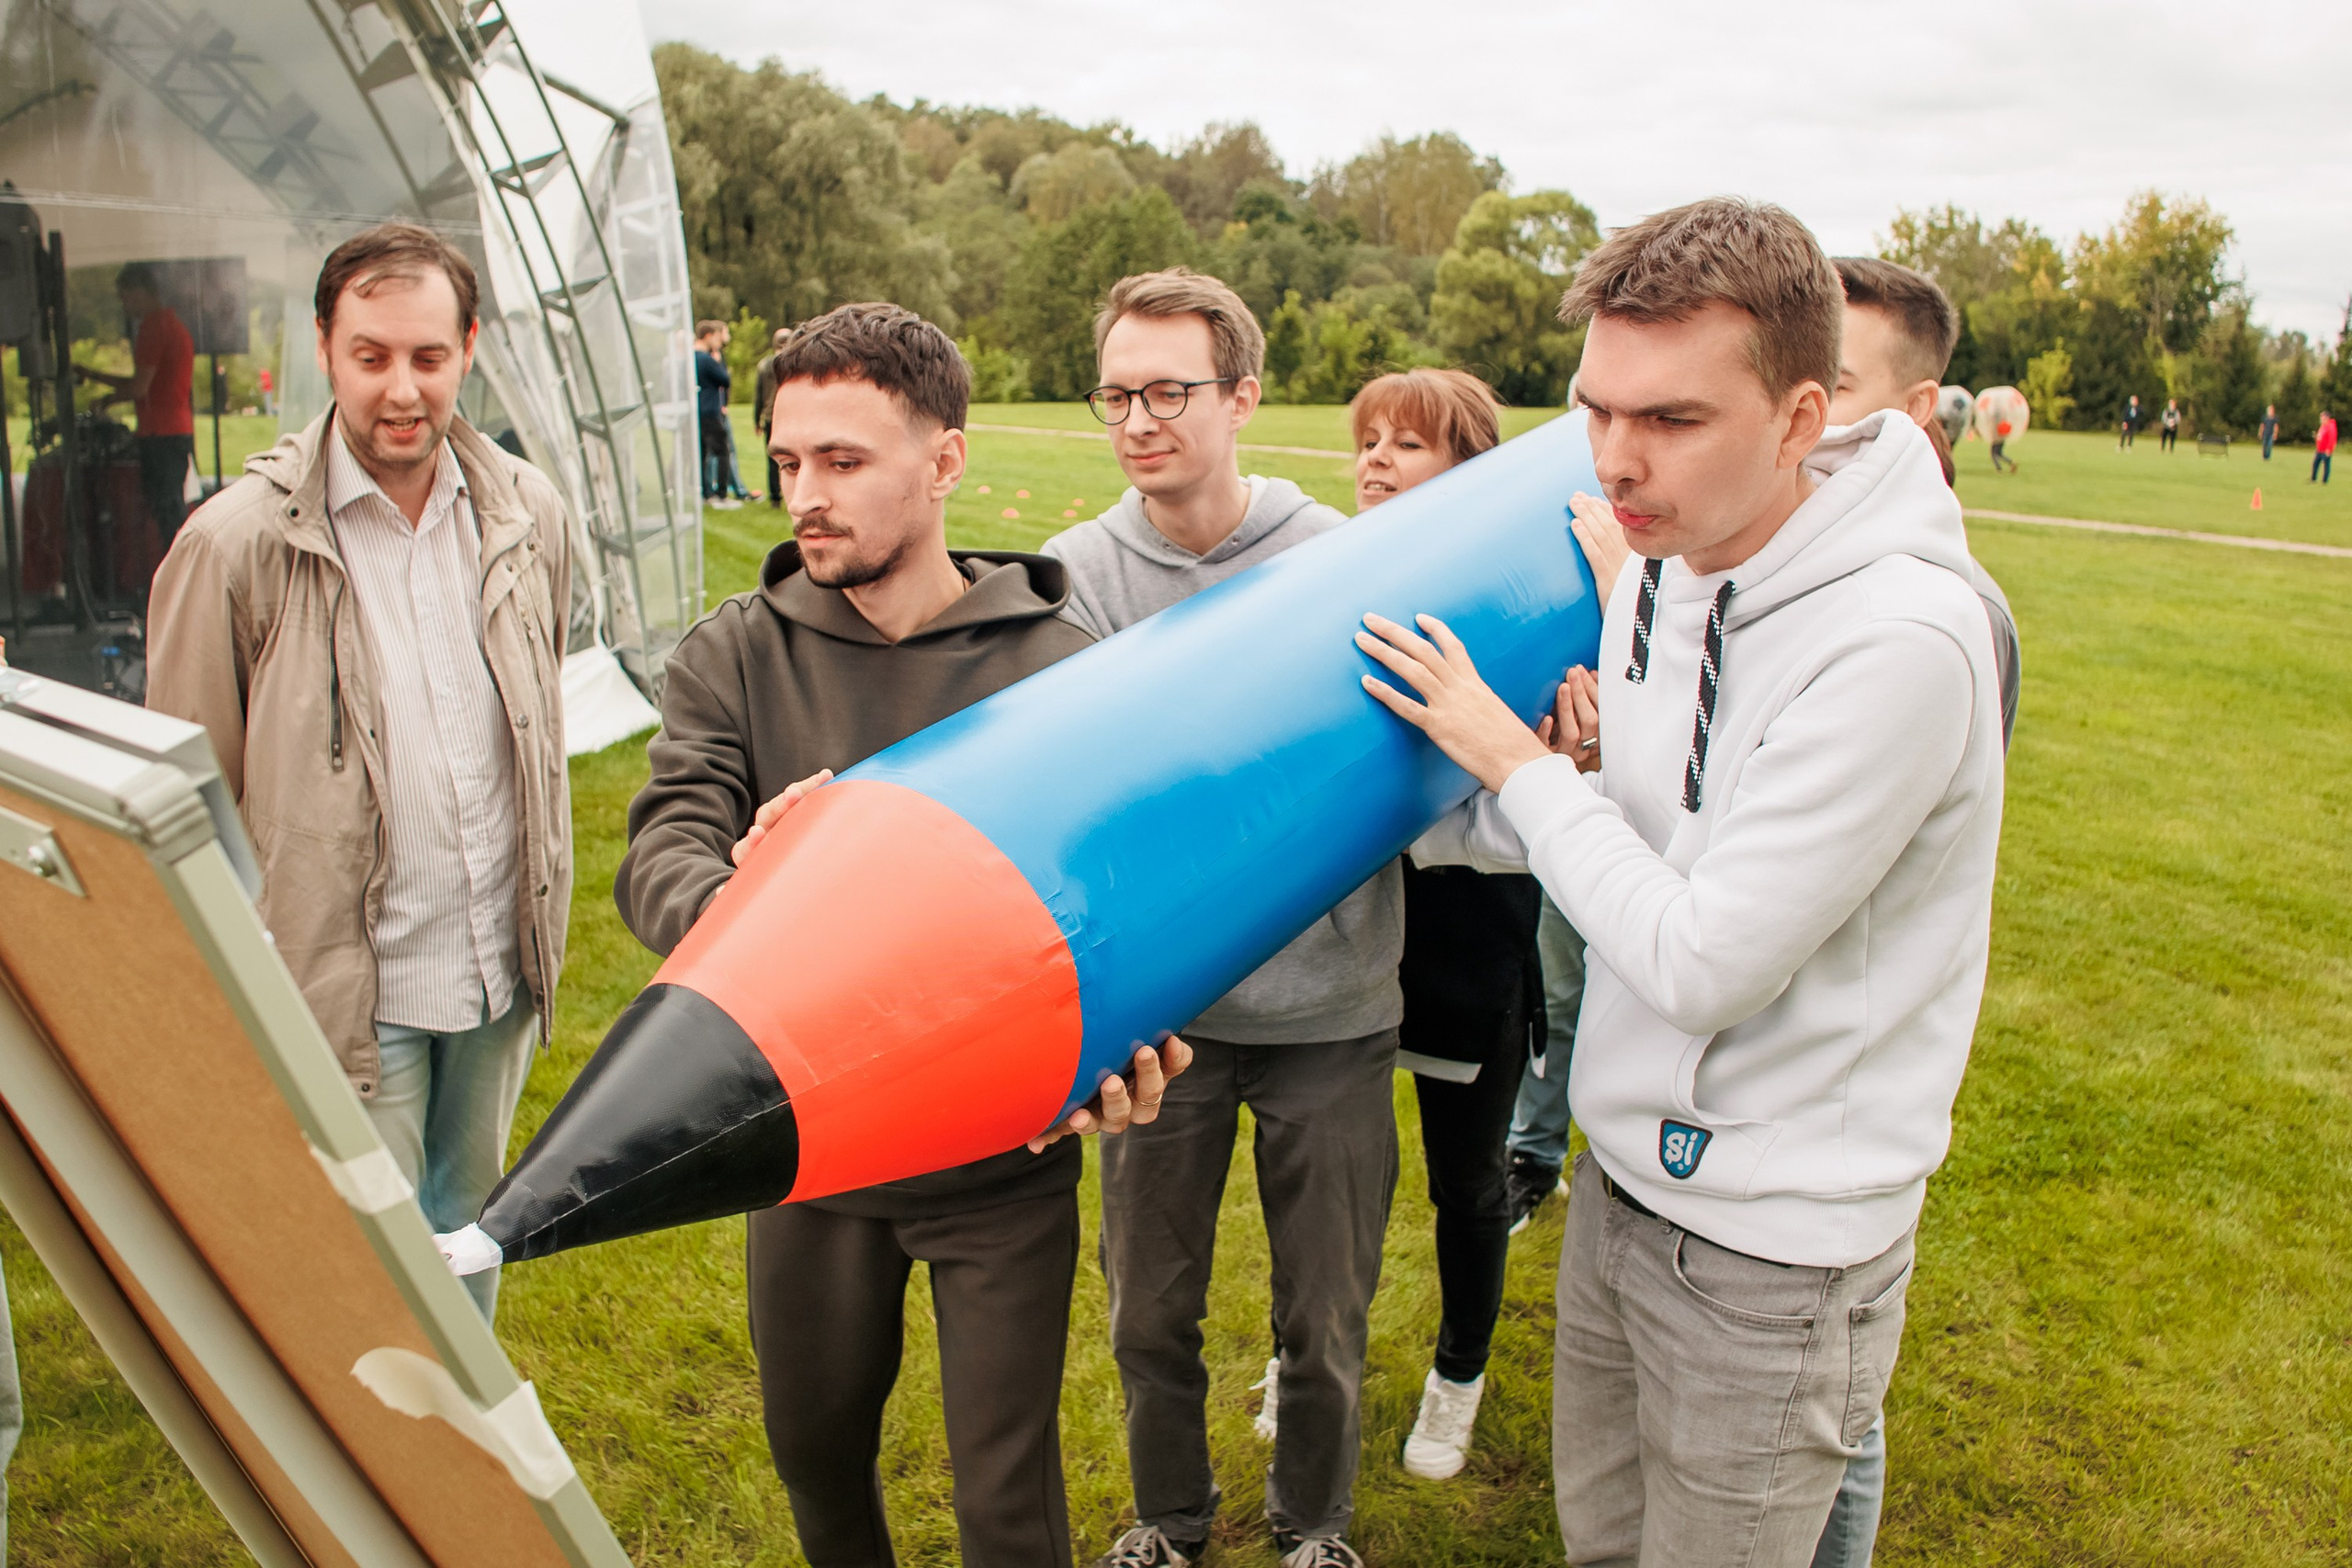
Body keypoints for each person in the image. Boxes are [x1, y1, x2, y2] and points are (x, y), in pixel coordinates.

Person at [1361, 197, 2005, 1568]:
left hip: (1775, 1246)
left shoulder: (1903, 638)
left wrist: (1508, 753)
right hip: (1620, 1182)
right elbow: (1629, 828)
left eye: (1672, 420)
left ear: (1798, 417)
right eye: (1598, 409)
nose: (1616, 460)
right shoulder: (1663, 561)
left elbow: (1707, 955)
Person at [614, 301, 1188, 1568]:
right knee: (814, 1453)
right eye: (786, 461)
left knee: (1006, 1499)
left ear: (946, 459)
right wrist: (752, 907)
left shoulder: (1057, 665)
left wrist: (1126, 1047)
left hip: (1001, 1158)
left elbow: (1125, 904)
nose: (804, 495)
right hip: (812, 1156)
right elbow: (663, 848)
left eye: (843, 461)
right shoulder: (735, 654)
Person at [148, 223, 573, 1323]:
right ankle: (373, 1486)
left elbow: (536, 718)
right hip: (347, 984)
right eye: (372, 355)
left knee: (470, 1231)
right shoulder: (233, 544)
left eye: (428, 358)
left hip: (494, 969)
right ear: (326, 352)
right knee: (368, 1282)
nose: (401, 389)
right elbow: (181, 801)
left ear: (468, 349)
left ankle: (472, 1477)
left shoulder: (530, 513)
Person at [1047, 268, 1398, 1568]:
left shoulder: (1342, 559)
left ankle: (1315, 1525)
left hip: (1334, 1010)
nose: (1140, 419)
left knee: (1324, 1309)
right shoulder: (1072, 578)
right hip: (1159, 1023)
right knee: (1149, 1307)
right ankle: (1168, 1516)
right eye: (1117, 394)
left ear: (1242, 395)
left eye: (1169, 390)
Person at [1333, 368, 1594, 1483]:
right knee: (1337, 1185)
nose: (1377, 460)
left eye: (1410, 445)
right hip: (1344, 957)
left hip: (1467, 944)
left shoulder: (1510, 612)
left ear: (1470, 472)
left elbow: (1515, 818)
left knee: (1464, 1178)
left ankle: (1458, 1375)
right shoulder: (1325, 594)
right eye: (1369, 441)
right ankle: (1315, 1364)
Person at [1834, 256, 2022, 749]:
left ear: (1916, 407)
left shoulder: (1952, 618)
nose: (1795, 409)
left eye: (1835, 386)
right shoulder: (1750, 559)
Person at [76, 262, 196, 553]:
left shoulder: (153, 327)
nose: (123, 304)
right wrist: (94, 376)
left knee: (167, 512)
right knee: (172, 509)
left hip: (160, 432)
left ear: (140, 292)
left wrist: (104, 401)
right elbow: (147, 383)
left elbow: (139, 387)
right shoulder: (173, 325)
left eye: (124, 296)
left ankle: (179, 578)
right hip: (175, 428)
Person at [695, 318, 750, 505]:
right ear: (708, 336)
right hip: (711, 410)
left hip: (697, 410)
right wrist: (718, 363)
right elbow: (724, 380)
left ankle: (705, 492)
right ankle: (721, 495)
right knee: (722, 451)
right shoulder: (706, 359)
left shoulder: (690, 359)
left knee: (702, 453)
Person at [752, 324, 791, 508]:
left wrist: (756, 420)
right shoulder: (794, 364)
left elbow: (758, 394)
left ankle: (775, 497)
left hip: (769, 417)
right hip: (789, 417)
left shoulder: (765, 365)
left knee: (772, 458)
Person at [2313, 411, 2335, 483]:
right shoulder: (2323, 426)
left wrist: (2329, 449)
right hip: (2319, 450)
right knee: (2315, 464)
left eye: (2322, 417)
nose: (2321, 419)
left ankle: (2324, 481)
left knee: (2326, 466)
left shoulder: (2330, 427)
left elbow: (2332, 439)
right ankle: (2313, 479)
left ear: (2327, 418)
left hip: (2325, 450)